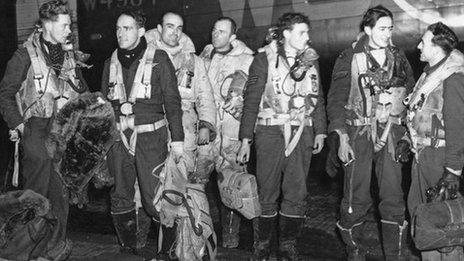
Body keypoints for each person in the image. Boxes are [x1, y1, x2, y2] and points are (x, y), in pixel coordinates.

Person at [0, 0, 88, 259]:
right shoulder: (23, 55)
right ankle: (26, 251)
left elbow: (81, 88)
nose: (68, 30)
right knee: (36, 198)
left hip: (63, 132)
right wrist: (18, 125)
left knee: (60, 196)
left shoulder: (68, 54)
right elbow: (5, 94)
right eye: (64, 25)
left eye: (69, 25)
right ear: (47, 25)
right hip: (36, 131)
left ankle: (55, 249)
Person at [326, 5, 415, 261]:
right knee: (356, 198)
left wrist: (406, 135)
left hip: (391, 134)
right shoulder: (349, 57)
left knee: (393, 196)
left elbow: (409, 96)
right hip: (358, 133)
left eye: (390, 28)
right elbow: (336, 99)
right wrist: (341, 137)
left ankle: (394, 256)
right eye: (382, 28)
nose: (387, 33)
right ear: (367, 29)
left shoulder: (398, 56)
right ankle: (355, 252)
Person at [237, 12, 327, 260]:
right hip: (270, 132)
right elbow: (251, 101)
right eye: (302, 32)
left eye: (308, 32)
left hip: (302, 132)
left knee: (297, 192)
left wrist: (321, 130)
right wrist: (246, 139)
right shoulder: (263, 59)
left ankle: (287, 245)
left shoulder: (311, 60)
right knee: (267, 190)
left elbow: (317, 97)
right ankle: (262, 244)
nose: (307, 37)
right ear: (286, 34)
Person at [100, 10, 184, 259]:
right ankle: (128, 250)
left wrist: (178, 140)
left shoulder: (159, 59)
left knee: (154, 198)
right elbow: (105, 105)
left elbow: (173, 102)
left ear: (139, 31)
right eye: (118, 28)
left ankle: (167, 252)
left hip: (151, 139)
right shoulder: (110, 63)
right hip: (118, 140)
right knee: (120, 195)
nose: (120, 33)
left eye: (127, 28)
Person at [406, 22, 464, 260]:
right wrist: (404, 138)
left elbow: (458, 128)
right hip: (422, 157)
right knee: (425, 224)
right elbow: (419, 114)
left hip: (440, 160)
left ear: (437, 47)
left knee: (446, 225)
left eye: (423, 41)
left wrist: (452, 171)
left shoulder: (452, 79)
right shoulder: (429, 75)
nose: (418, 45)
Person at [199, 17, 254, 248]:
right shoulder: (202, 58)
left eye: (221, 31)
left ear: (233, 36)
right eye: (214, 29)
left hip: (230, 135)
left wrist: (241, 106)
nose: (215, 34)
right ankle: (198, 233)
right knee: (197, 185)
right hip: (205, 135)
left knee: (231, 186)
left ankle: (230, 240)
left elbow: (255, 101)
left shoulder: (247, 60)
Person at [146, 12, 217, 178]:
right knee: (151, 179)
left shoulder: (193, 61)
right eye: (169, 26)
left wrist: (206, 125)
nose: (175, 32)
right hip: (154, 124)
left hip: (185, 126)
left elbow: (205, 95)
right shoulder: (146, 58)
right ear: (159, 29)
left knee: (180, 182)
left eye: (179, 28)